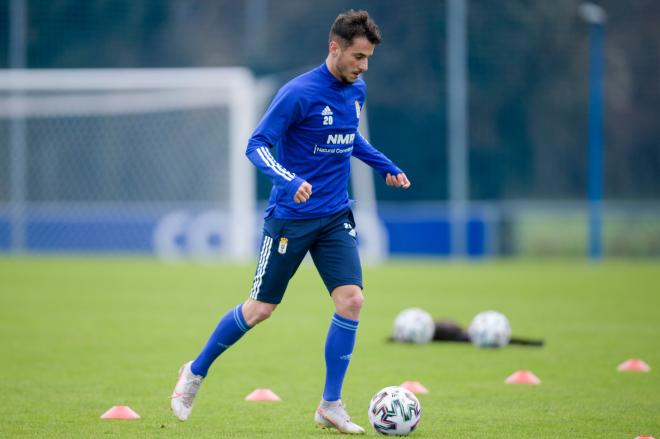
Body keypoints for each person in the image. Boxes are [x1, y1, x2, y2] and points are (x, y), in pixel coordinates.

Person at [171, 9, 410, 434]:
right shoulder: (297, 93)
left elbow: (349, 136)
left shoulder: (357, 90)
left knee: (352, 300)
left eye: (368, 58)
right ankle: (194, 371)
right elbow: (256, 144)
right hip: (291, 219)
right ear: (334, 48)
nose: (364, 65)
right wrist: (289, 178)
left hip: (335, 215)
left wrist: (384, 164)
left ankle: (330, 405)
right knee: (261, 308)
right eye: (358, 56)